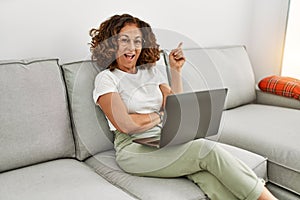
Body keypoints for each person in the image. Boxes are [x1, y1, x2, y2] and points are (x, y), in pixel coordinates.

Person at [90, 13, 277, 200]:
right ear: (112, 43)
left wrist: (175, 71)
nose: (132, 48)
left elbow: (175, 107)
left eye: (137, 41)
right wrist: (161, 115)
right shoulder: (107, 78)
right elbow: (126, 125)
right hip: (132, 148)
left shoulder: (151, 71)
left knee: (204, 174)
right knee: (206, 150)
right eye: (124, 40)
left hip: (162, 136)